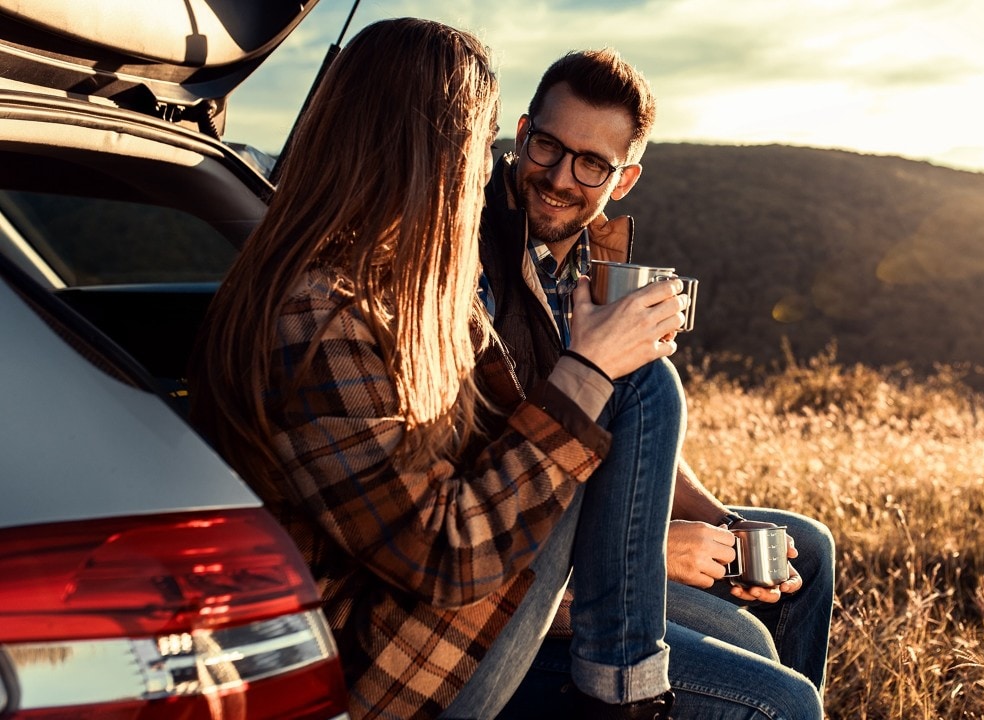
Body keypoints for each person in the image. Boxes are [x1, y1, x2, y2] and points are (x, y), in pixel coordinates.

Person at [187, 19, 689, 719]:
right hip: (387, 668)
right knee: (637, 384)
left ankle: (623, 682)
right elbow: (448, 553)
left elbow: (491, 436)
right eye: (485, 146)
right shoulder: (319, 319)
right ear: (427, 153)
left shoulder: (398, 287)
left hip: (443, 606)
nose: (491, 170)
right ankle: (622, 697)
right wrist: (591, 367)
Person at [479, 48, 833, 715]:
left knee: (803, 549)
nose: (559, 177)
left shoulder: (590, 266)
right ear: (521, 134)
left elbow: (632, 421)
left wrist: (719, 521)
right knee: (766, 680)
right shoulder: (476, 256)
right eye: (547, 146)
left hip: (587, 526)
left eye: (591, 164)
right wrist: (646, 551)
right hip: (531, 569)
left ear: (625, 179)